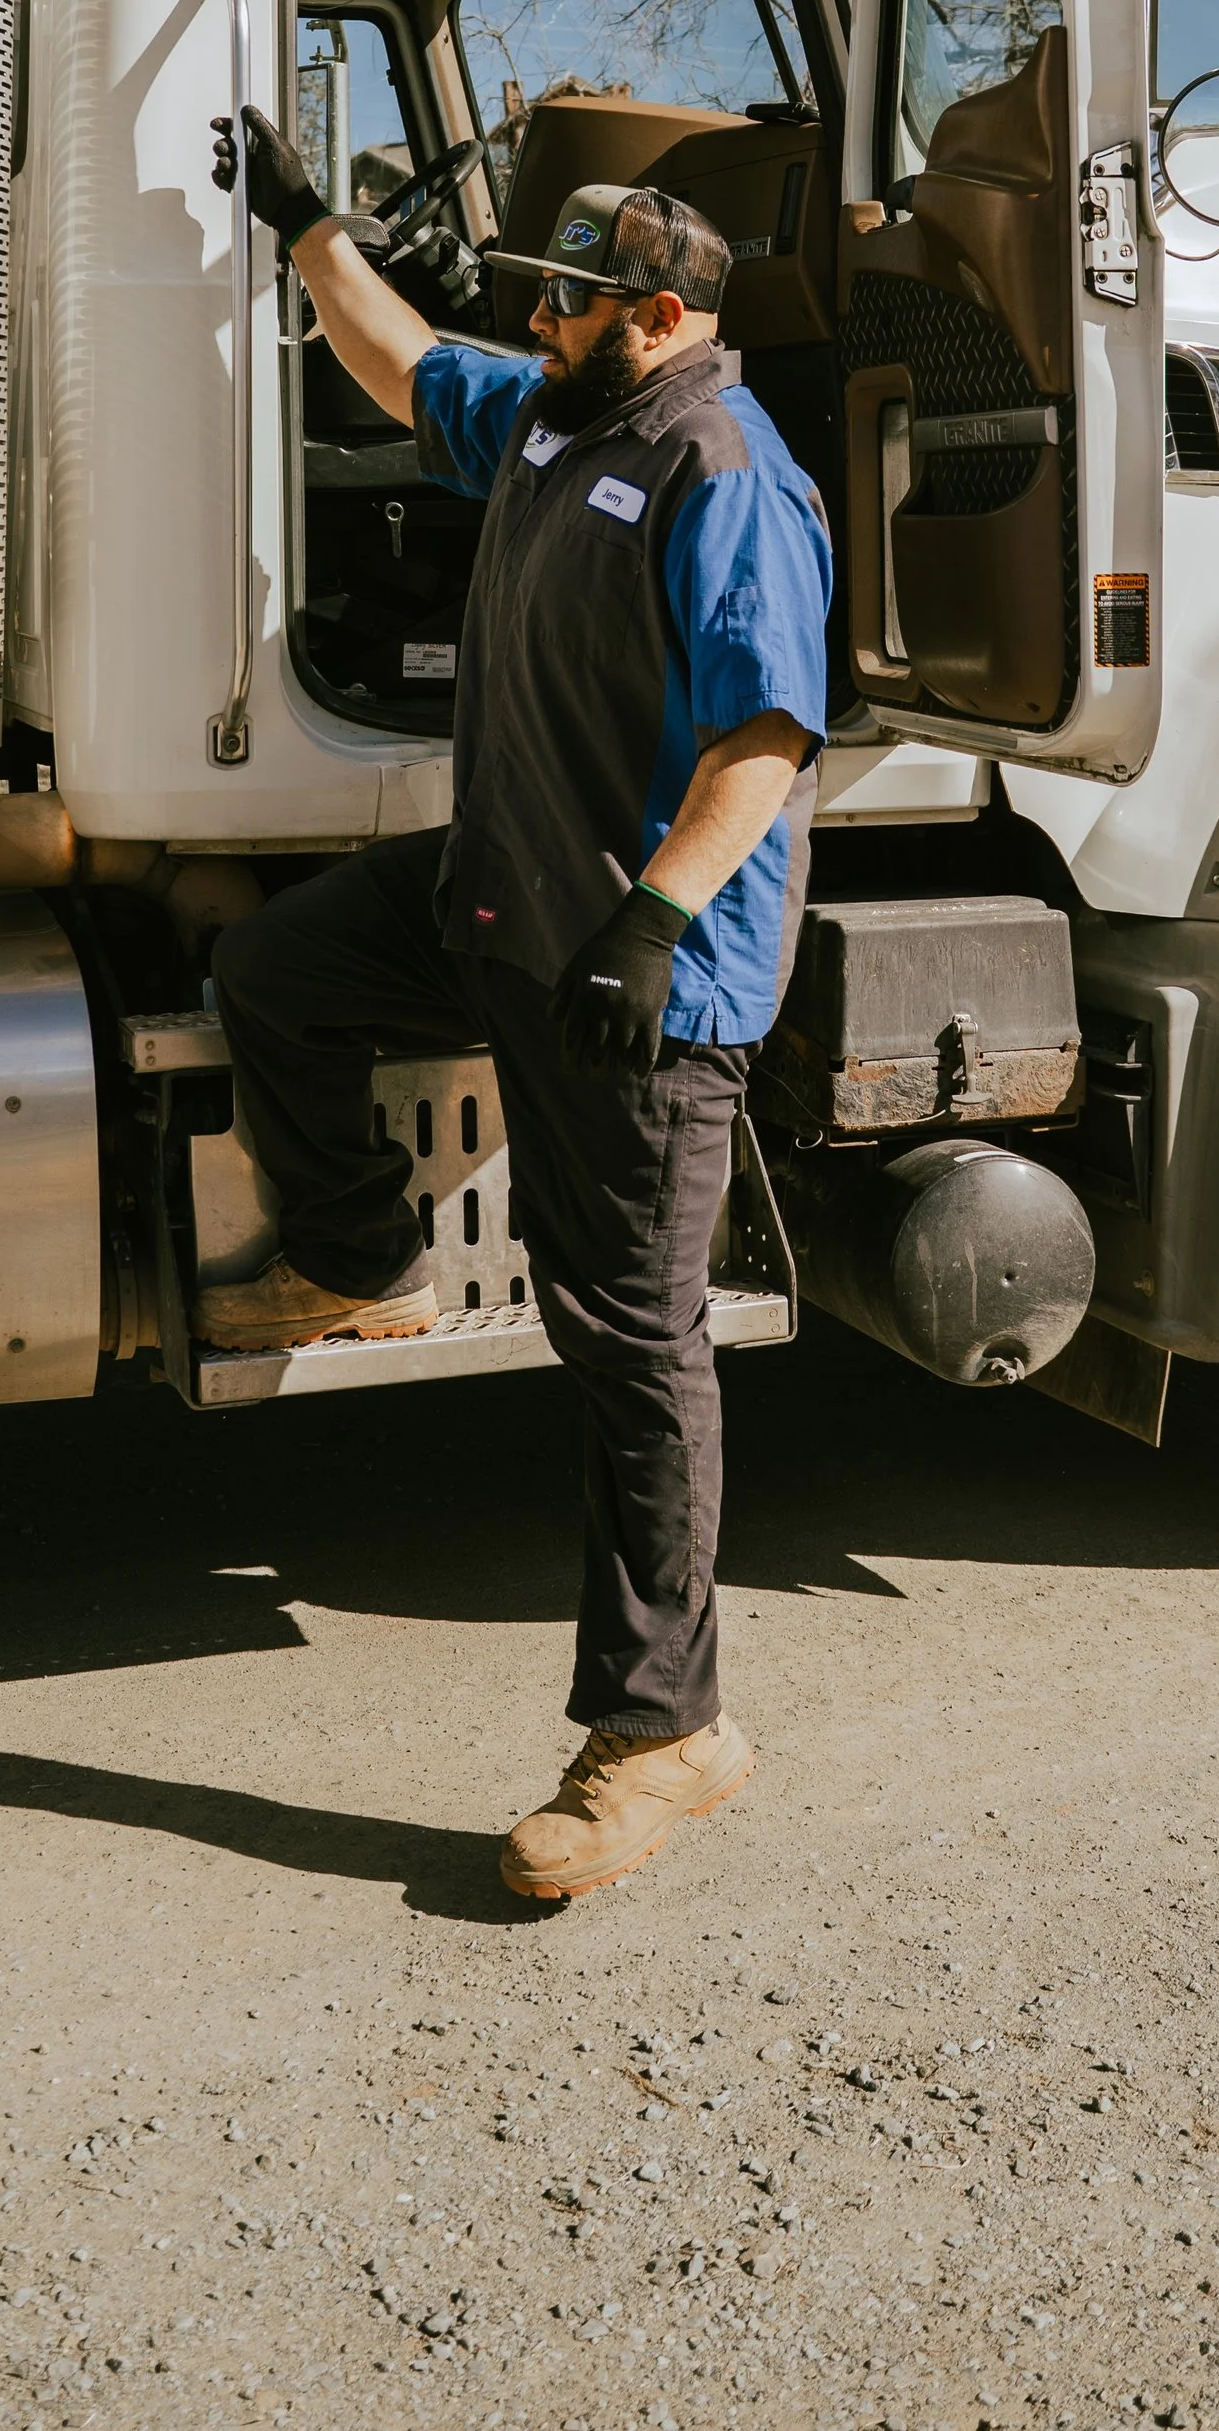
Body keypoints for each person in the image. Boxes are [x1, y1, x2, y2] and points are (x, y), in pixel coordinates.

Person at [198, 106, 832, 1901]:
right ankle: (361, 1249)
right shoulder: (560, 416)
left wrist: (654, 920)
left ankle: (665, 1729)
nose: (529, 315)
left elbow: (765, 737)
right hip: (500, 899)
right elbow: (406, 365)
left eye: (561, 298)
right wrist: (314, 231)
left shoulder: (727, 471)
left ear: (651, 312)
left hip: (641, 968)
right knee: (277, 972)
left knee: (633, 1336)